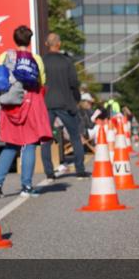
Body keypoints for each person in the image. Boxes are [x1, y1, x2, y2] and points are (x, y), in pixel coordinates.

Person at [0, 25, 53, 198]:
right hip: (30, 103)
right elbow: (42, 80)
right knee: (29, 144)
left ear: (15, 39)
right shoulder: (36, 58)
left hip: (10, 104)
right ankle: (26, 187)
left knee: (10, 144)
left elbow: (0, 78)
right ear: (30, 40)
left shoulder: (4, 56)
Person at [40, 33, 88, 181]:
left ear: (46, 45)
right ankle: (80, 169)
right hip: (66, 103)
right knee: (74, 136)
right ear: (59, 44)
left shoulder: (42, 61)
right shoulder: (67, 61)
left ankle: (49, 172)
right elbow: (74, 82)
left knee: (45, 139)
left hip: (47, 103)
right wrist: (76, 99)